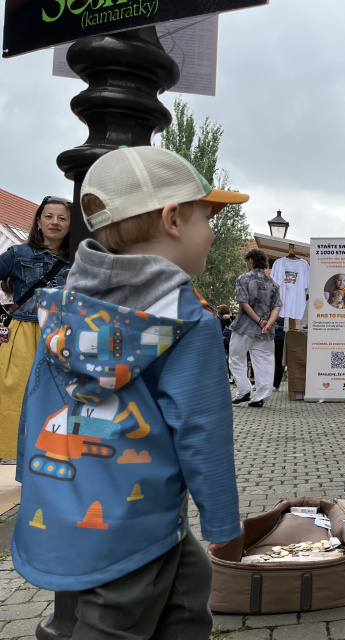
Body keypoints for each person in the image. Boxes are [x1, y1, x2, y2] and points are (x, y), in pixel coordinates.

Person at [11, 146, 246, 639]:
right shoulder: (187, 321)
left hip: (66, 502)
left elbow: (37, 404)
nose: (213, 233)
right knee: (113, 619)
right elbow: (202, 432)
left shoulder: (66, 307)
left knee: (189, 579)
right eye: (210, 218)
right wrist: (224, 525)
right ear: (174, 219)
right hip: (137, 514)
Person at [0, 195, 71, 463]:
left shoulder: (78, 261)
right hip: (23, 334)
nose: (55, 222)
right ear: (38, 221)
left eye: (62, 217)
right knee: (14, 398)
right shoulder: (18, 254)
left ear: (70, 224)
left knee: (55, 399)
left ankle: (47, 461)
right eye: (49, 216)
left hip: (61, 337)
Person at [229, 249, 281, 407]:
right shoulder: (273, 283)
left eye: (247, 261)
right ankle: (260, 397)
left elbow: (244, 303)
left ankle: (244, 390)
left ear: (251, 261)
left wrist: (259, 321)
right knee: (264, 361)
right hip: (266, 331)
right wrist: (268, 323)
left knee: (236, 358)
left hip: (245, 327)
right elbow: (277, 307)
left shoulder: (243, 279)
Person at [273, 318, 286, 390]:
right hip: (270, 339)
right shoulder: (270, 312)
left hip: (281, 340)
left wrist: (279, 327)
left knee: (279, 363)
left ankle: (276, 384)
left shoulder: (285, 315)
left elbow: (289, 327)